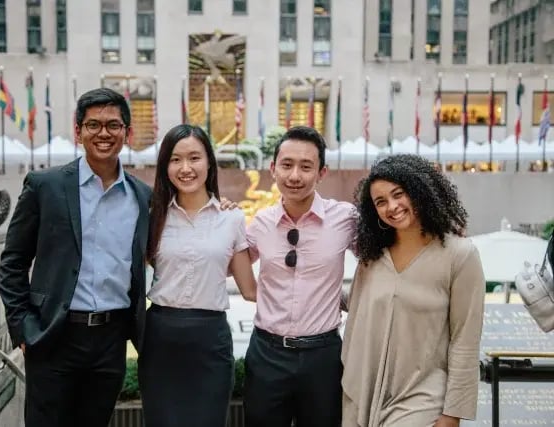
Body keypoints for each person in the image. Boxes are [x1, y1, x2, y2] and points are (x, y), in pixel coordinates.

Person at [0, 87, 152, 427]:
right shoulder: (45, 186)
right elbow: (13, 261)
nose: (103, 133)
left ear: (127, 132)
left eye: (113, 125)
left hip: (110, 341)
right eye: (93, 124)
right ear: (78, 130)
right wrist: (22, 328)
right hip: (53, 335)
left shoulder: (142, 197)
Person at [342, 154, 485, 427]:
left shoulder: (459, 256)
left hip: (422, 398)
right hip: (363, 393)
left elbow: (465, 339)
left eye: (399, 194)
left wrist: (453, 413)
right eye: (380, 202)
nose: (392, 207)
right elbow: (360, 306)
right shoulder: (372, 258)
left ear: (420, 191)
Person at [138, 124, 257, 427]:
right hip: (160, 336)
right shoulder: (153, 216)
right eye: (175, 159)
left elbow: (250, 290)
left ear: (209, 162)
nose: (185, 168)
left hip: (210, 339)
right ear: (165, 166)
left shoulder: (232, 218)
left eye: (194, 158)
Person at [244, 126, 357, 427]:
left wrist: (349, 298)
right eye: (287, 165)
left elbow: (380, 262)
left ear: (322, 173)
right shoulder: (259, 223)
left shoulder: (345, 219)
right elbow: (230, 265)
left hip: (323, 356)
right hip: (267, 353)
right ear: (273, 169)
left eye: (306, 167)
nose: (295, 175)